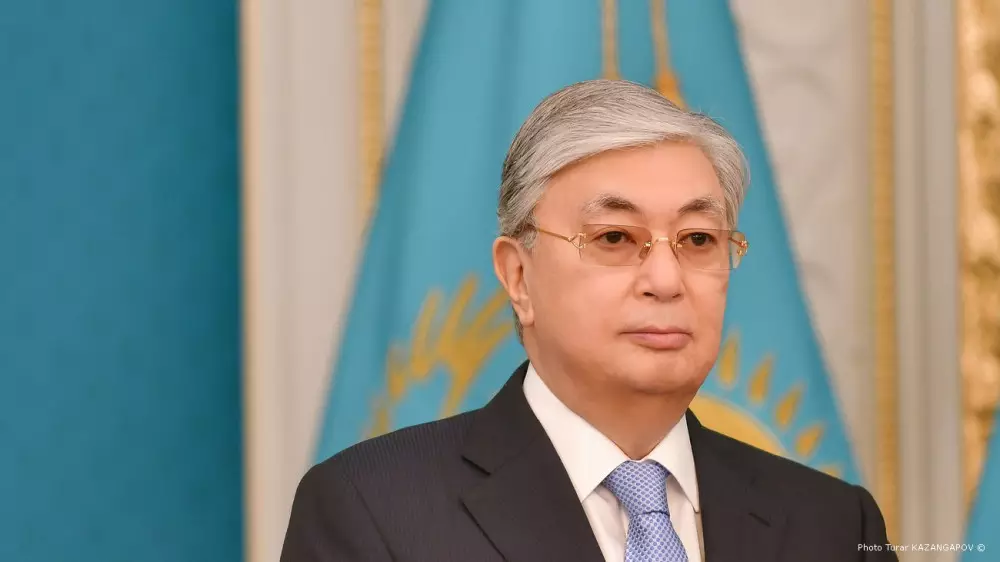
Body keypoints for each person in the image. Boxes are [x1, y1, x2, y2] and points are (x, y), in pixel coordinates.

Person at [281, 79, 895, 562]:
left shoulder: (834, 525)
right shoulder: (375, 509)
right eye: (614, 237)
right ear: (518, 277)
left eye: (698, 239)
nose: (665, 280)